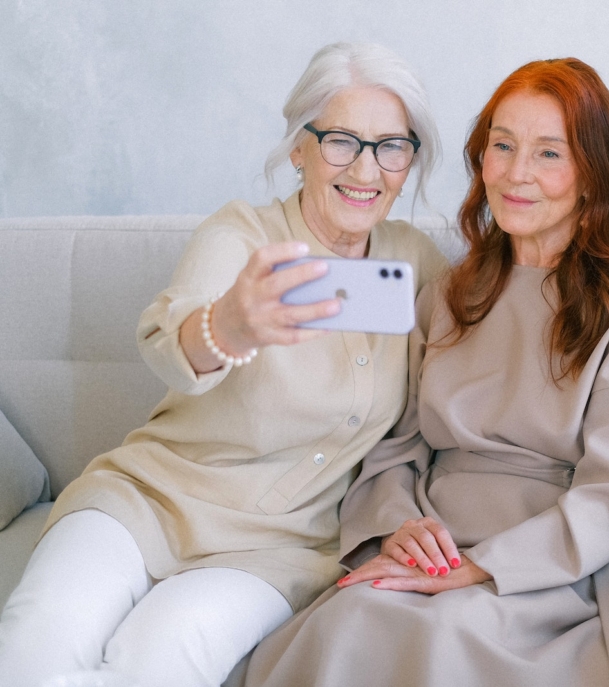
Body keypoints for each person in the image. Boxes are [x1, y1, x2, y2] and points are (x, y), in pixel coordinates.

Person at [0, 42, 449, 687]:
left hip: (279, 550)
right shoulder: (242, 235)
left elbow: (466, 386)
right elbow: (170, 342)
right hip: (145, 502)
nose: (366, 169)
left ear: (409, 161)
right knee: (31, 655)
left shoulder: (415, 260)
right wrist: (229, 325)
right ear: (299, 147)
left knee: (159, 664)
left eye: (391, 147)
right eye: (342, 141)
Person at [244, 57, 609, 687]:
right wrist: (399, 531)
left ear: (592, 177)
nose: (516, 174)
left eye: (549, 154)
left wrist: (482, 567)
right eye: (502, 146)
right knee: (350, 620)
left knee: (445, 635)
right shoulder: (449, 293)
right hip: (433, 543)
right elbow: (397, 445)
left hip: (546, 569)